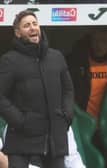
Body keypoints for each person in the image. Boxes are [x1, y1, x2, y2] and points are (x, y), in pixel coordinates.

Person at [0, 9, 74, 168]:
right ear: (18, 33)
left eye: (35, 24)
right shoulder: (9, 60)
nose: (33, 28)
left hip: (54, 140)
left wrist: (66, 116)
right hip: (22, 141)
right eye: (26, 25)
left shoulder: (56, 57)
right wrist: (21, 121)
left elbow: (68, 90)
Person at [66, 27, 107, 168]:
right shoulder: (76, 59)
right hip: (83, 121)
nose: (99, 45)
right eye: (96, 41)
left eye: (104, 41)